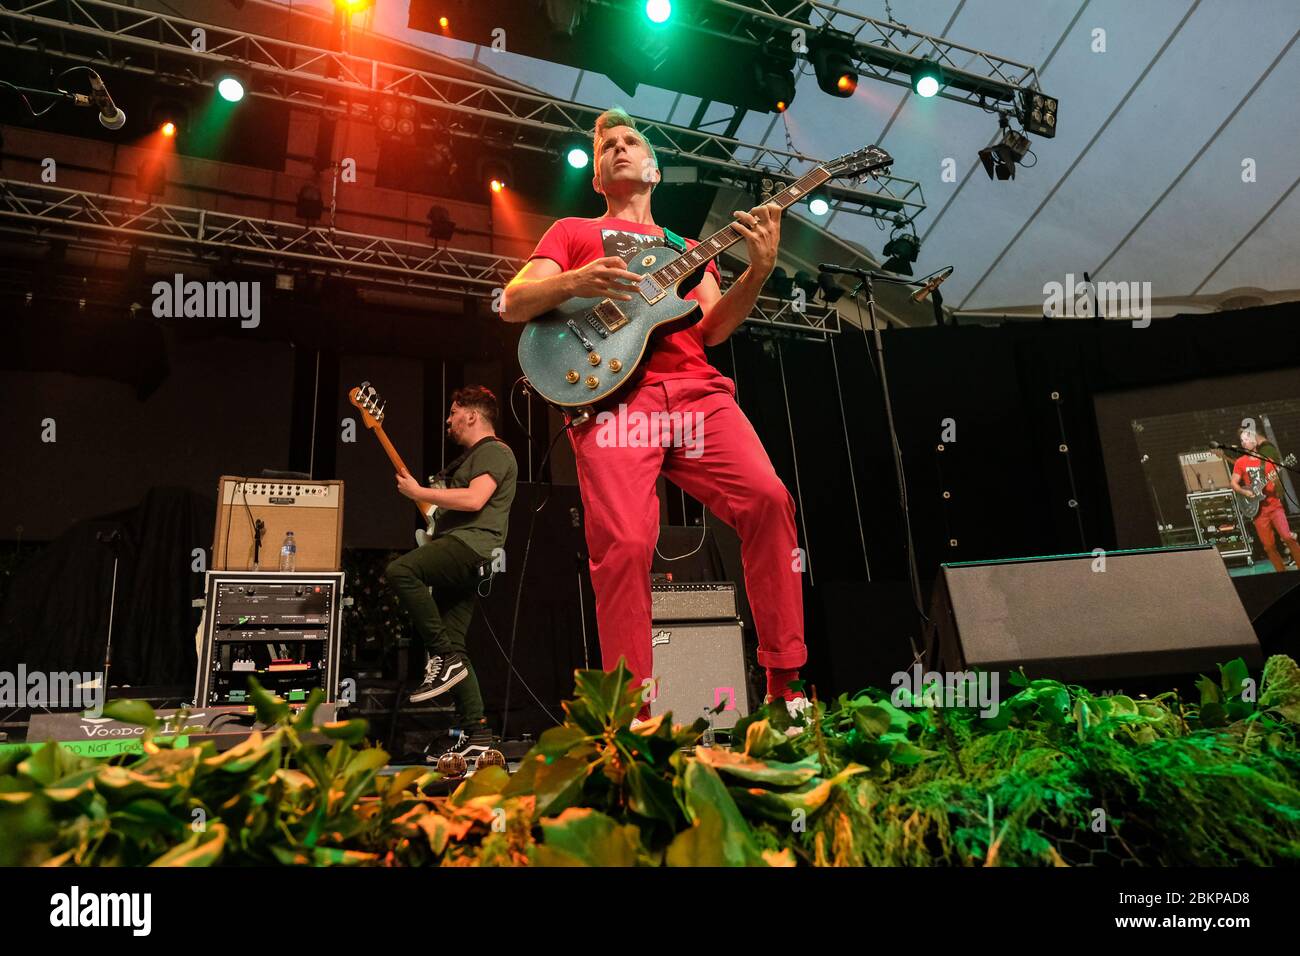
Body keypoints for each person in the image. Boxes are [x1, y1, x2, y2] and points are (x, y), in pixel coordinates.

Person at [501, 107, 808, 721]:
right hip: (615, 400)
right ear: (596, 177)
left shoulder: (688, 248)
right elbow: (512, 302)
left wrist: (762, 269)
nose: (617, 147)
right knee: (624, 542)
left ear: (655, 170)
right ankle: (634, 719)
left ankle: (785, 684)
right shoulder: (570, 232)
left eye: (630, 140)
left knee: (769, 499)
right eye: (605, 144)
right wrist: (573, 282)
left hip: (696, 392)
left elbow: (715, 327)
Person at [385, 385, 517, 759]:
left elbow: (475, 499)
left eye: (453, 412)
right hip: (462, 548)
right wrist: (429, 504)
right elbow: (449, 508)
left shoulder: (494, 451)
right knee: (457, 642)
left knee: (401, 571)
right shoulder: (472, 458)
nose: (448, 420)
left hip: (469, 546)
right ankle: (478, 734)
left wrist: (419, 491)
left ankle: (444, 658)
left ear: (471, 415)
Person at [1231, 425, 1300, 572]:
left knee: (1288, 537)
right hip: (1258, 511)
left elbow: (1277, 488)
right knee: (1268, 546)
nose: (1244, 442)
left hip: (1274, 506)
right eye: (1242, 440)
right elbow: (1234, 483)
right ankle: (1281, 572)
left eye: (1247, 439)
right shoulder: (1240, 462)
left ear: (1254, 441)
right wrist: (1245, 492)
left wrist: (1274, 480)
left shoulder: (1267, 461)